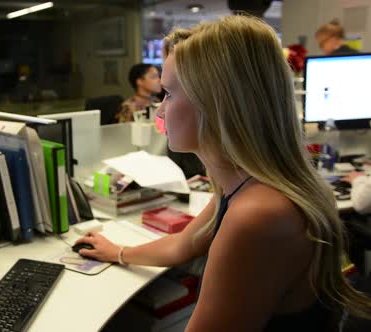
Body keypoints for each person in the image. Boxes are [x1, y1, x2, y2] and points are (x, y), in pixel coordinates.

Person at [76, 16, 371, 331]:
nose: (160, 110)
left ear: (219, 105)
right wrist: (118, 252)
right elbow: (182, 245)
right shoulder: (243, 183)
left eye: (170, 94)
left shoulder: (258, 214)